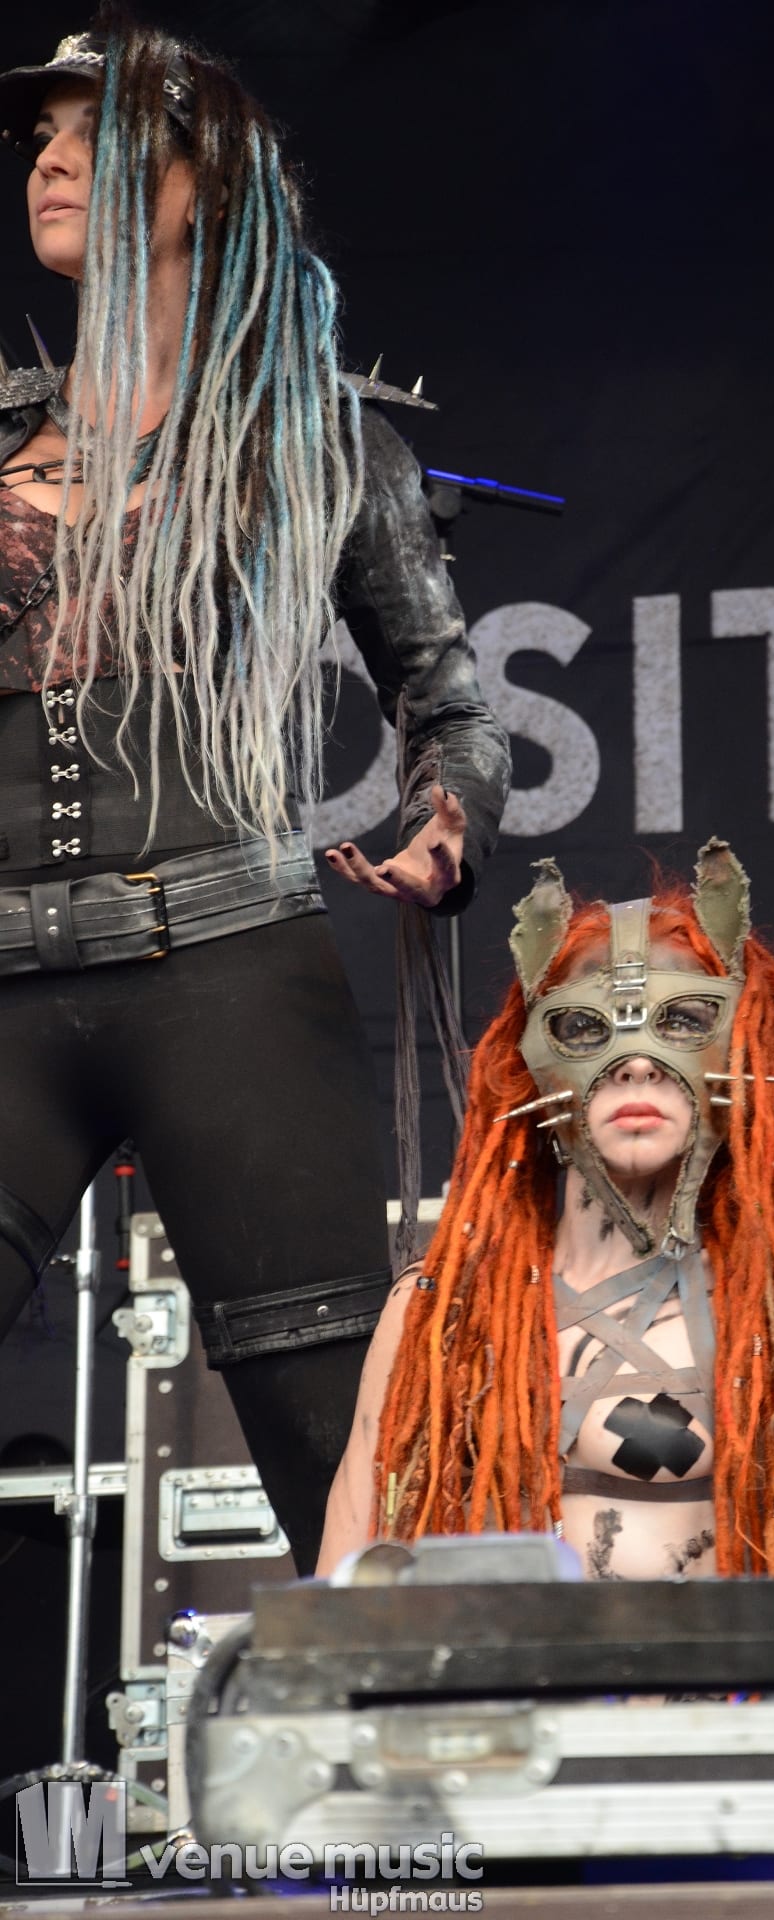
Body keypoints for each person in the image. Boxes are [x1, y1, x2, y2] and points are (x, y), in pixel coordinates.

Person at [0, 25, 511, 1573]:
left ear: (203, 181)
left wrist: (446, 823)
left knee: (334, 1443)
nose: (49, 161)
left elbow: (447, 693)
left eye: (95, 135)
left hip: (222, 969)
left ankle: (425, 1731)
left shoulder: (319, 442)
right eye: (39, 139)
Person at [319, 841, 774, 1580]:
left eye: (684, 1021)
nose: (636, 1062)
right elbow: (349, 1571)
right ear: (535, 1072)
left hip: (729, 1654)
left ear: (739, 1058)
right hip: (515, 1654)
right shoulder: (440, 1313)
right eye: (585, 1029)